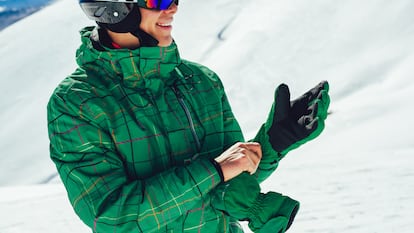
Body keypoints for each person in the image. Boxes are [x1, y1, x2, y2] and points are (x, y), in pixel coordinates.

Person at [47, 0, 330, 232]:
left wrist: (273, 144)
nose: (172, 8)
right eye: (156, 0)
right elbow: (112, 218)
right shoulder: (78, 103)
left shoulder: (200, 81)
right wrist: (214, 170)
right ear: (115, 9)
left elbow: (232, 186)